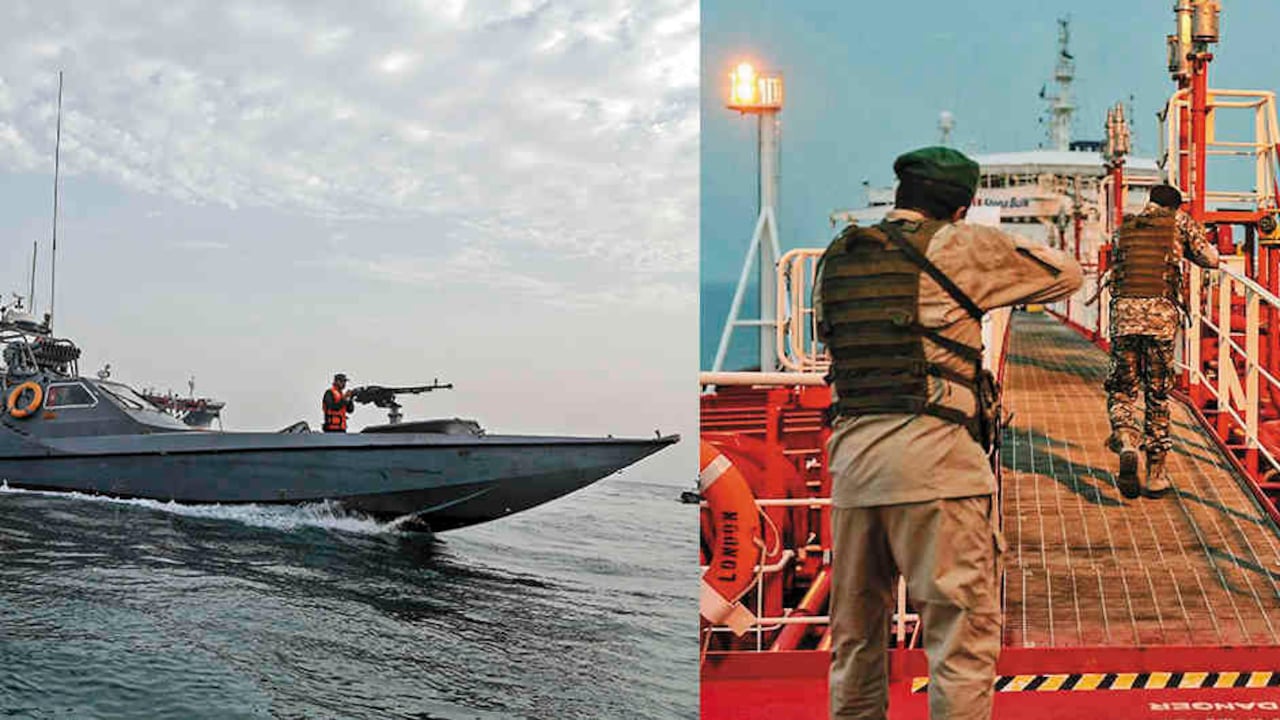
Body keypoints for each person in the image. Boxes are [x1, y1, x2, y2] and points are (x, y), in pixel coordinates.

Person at [815, 146, 1083, 720]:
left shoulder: (838, 256)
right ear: (962, 205)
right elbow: (1067, 274)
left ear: (900, 194)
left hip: (853, 471)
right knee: (959, 639)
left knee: (855, 640)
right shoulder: (961, 244)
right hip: (936, 467)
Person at [1105, 184, 1219, 499]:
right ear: (1174, 207)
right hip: (1160, 320)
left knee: (1122, 389)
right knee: (1158, 394)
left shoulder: (1125, 227)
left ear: (1149, 203)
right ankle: (1156, 473)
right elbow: (1211, 260)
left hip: (1125, 317)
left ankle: (1127, 439)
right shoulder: (1180, 223)